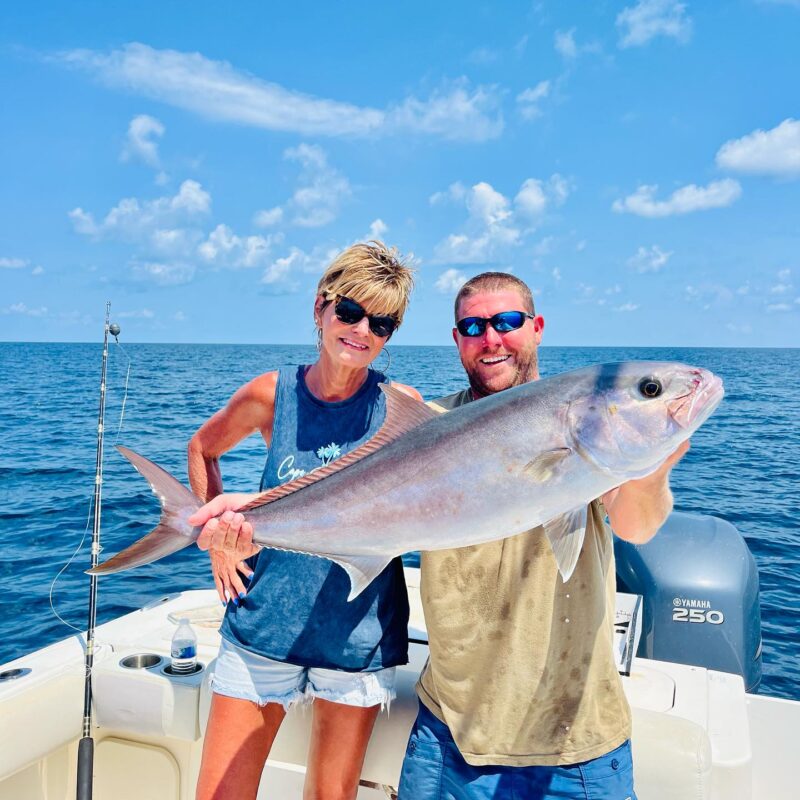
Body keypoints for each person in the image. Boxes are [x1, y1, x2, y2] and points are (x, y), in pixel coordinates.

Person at [397, 272, 688, 800]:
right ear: (457, 339)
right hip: (452, 733)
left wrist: (650, 470)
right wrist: (249, 520)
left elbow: (636, 524)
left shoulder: (591, 425)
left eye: (508, 322)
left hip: (577, 745)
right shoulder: (427, 425)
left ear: (536, 328)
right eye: (473, 326)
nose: (492, 339)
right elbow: (344, 498)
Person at [187, 241, 421, 800]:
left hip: (357, 636)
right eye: (349, 311)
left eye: (382, 323)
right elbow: (203, 448)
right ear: (320, 306)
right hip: (263, 626)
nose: (362, 330)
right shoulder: (272, 394)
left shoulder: (404, 409)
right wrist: (218, 541)